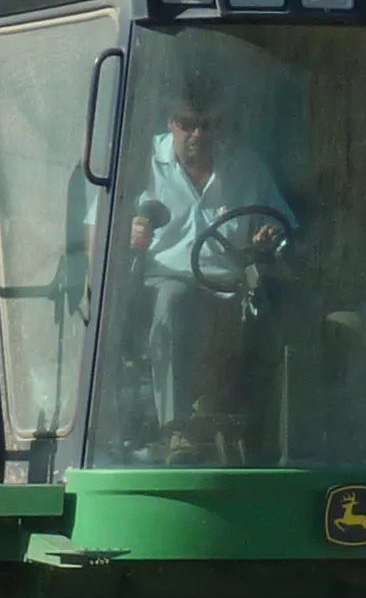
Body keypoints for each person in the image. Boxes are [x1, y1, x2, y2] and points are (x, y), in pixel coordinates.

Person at [118, 66, 296, 454]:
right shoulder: (141, 163)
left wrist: (268, 237)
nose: (198, 134)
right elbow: (99, 231)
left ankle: (275, 438)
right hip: (166, 279)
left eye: (208, 125)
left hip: (231, 287)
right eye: (188, 124)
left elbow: (280, 223)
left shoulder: (245, 165)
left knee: (290, 310)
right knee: (175, 301)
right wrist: (126, 235)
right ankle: (174, 430)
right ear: (171, 122)